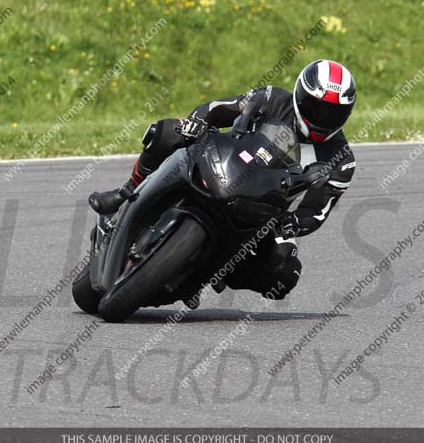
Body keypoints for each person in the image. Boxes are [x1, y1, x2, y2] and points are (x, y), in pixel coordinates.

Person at [89, 59, 357, 300]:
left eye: (334, 113)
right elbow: (217, 108)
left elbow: (317, 211)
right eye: (317, 108)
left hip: (269, 210)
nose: (324, 118)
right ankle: (126, 191)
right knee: (167, 131)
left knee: (285, 272)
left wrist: (294, 223)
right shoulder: (272, 99)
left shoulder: (342, 160)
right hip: (226, 165)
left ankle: (217, 270)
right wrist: (196, 122)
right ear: (301, 95)